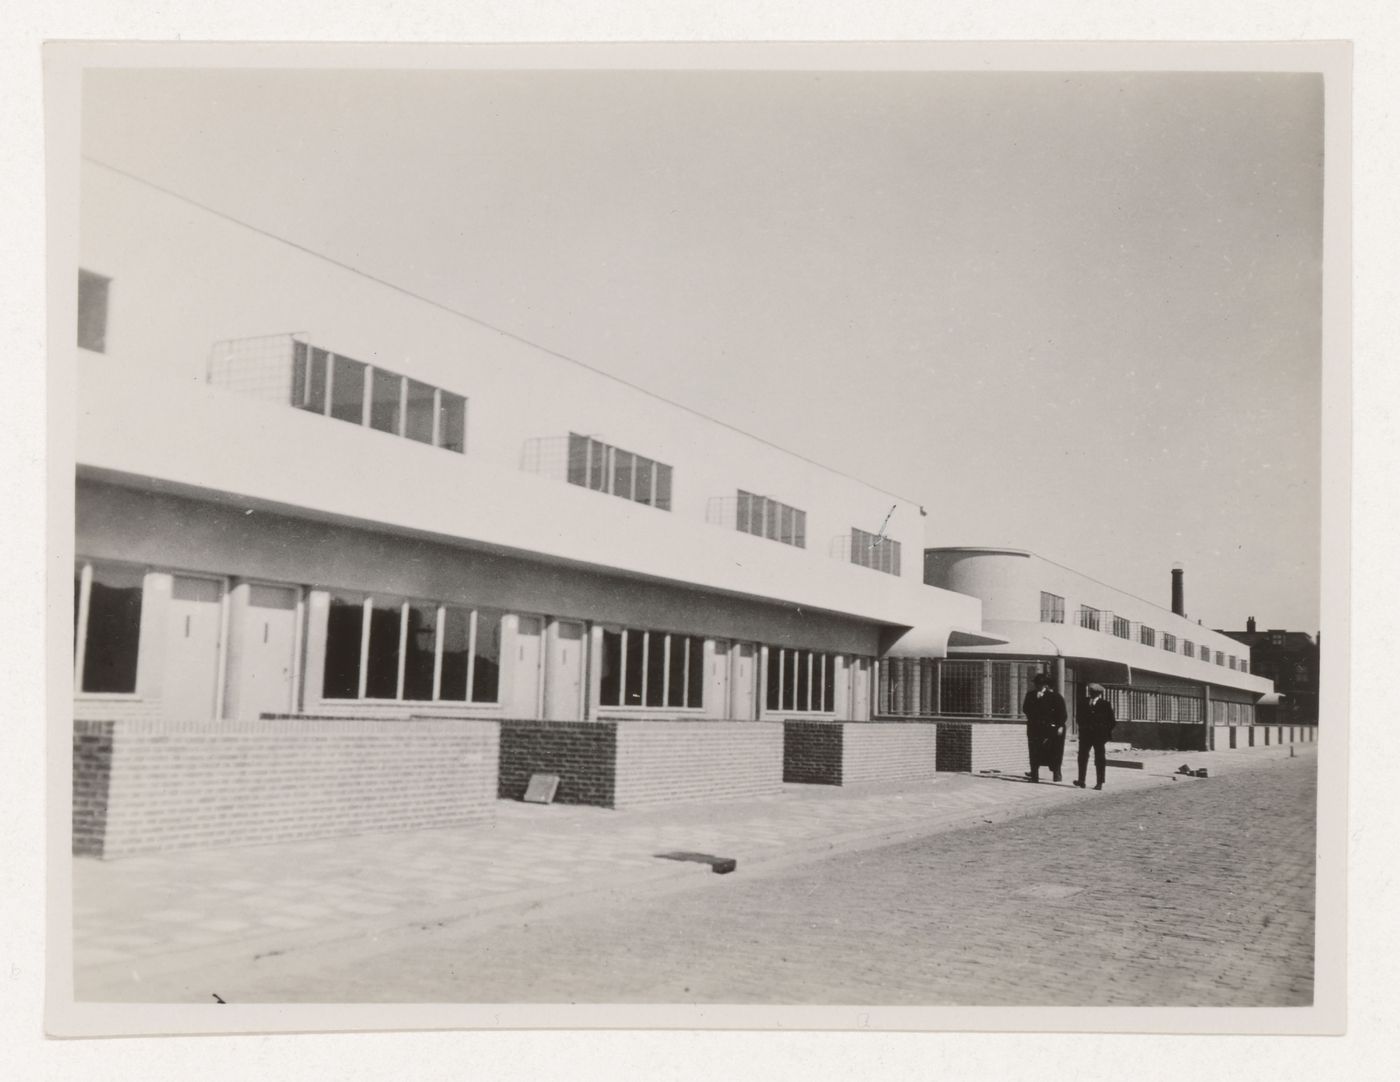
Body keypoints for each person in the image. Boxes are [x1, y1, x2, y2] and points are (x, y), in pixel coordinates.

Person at [1021, 672, 1067, 782]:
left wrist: (1060, 726)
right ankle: (1034, 775)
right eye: (1037, 684)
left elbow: (1062, 713)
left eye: (1041, 684)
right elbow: (1025, 709)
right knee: (1033, 751)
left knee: (1054, 752)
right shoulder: (1030, 695)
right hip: (1034, 728)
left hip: (1050, 729)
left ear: (1045, 685)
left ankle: (1056, 772)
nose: (1038, 686)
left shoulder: (1054, 696)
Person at [1075, 682, 1117, 790]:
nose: (1091, 694)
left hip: (1099, 737)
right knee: (1082, 757)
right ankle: (1081, 780)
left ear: (1099, 693)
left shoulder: (1105, 704)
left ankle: (1099, 782)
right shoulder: (1083, 702)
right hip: (1085, 735)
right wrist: (1082, 728)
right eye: (1090, 692)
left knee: (1099, 759)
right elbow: (1078, 717)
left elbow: (1112, 722)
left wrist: (1104, 734)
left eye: (1093, 692)